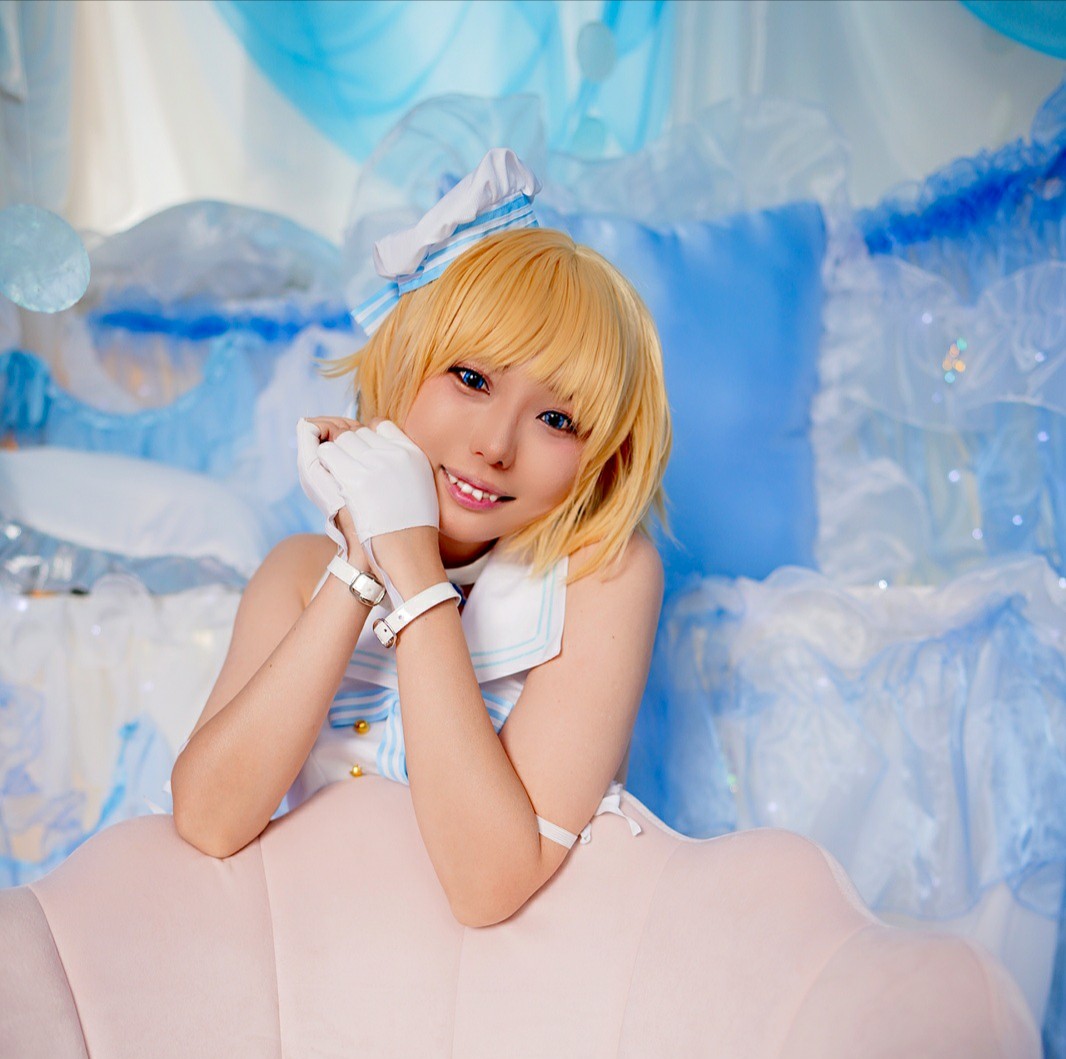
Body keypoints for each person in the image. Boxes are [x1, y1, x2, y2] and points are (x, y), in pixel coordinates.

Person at [168, 149, 672, 928]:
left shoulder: (605, 578)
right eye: (472, 379)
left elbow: (488, 885)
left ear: (601, 453)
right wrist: (361, 562)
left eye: (556, 418)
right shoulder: (300, 571)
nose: (495, 445)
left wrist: (414, 568)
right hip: (304, 962)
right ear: (406, 362)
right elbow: (208, 819)